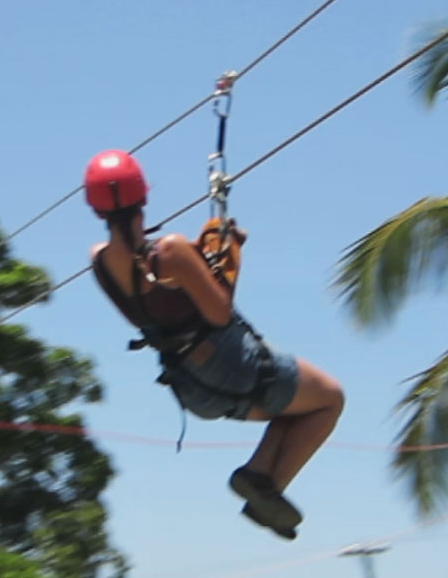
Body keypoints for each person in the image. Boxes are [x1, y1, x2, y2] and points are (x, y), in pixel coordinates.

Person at [81, 149, 345, 540]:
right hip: (232, 366)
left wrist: (198, 259)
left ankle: (259, 475)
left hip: (192, 387)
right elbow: (219, 312)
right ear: (144, 198)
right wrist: (227, 254)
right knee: (330, 399)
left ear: (97, 211)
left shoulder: (101, 262)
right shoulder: (170, 251)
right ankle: (265, 482)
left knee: (295, 408)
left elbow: (158, 301)